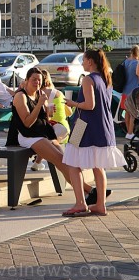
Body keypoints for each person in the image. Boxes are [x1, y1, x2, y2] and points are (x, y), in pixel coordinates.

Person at [11, 67, 94, 202]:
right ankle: (88, 190)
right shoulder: (20, 96)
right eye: (33, 79)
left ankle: (86, 193)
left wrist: (47, 112)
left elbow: (43, 120)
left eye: (39, 80)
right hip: (27, 136)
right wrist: (39, 106)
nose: (37, 82)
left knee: (66, 160)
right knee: (61, 159)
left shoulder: (39, 94)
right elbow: (27, 123)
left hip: (42, 132)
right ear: (26, 80)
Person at [62, 49, 126, 217]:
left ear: (90, 61)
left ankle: (80, 203)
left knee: (72, 162)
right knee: (99, 166)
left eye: (83, 60)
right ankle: (100, 205)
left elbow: (89, 105)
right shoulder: (106, 79)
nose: (82, 63)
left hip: (83, 125)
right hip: (103, 126)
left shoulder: (88, 80)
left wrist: (72, 102)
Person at [30, 69, 71, 171]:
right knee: (51, 140)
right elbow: (69, 113)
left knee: (47, 138)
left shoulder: (35, 94)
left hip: (44, 127)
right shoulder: (58, 93)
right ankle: (68, 167)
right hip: (61, 127)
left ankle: (37, 162)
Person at [122, 45, 139, 139]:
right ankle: (130, 133)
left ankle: (129, 132)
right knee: (133, 113)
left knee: (127, 112)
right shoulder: (137, 63)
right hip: (134, 91)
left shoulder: (126, 62)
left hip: (125, 90)